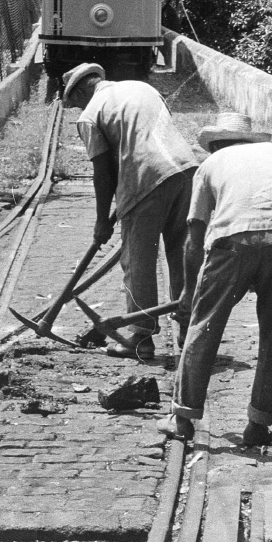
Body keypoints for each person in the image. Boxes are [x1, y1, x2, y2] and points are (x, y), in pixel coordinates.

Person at [158, 112, 272, 447]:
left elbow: (194, 236)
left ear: (215, 144)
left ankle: (182, 420)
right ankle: (258, 426)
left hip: (230, 244)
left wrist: (187, 293)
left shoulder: (210, 165)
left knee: (204, 327)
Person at [61, 63, 197, 359]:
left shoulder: (90, 114)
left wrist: (102, 222)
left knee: (138, 260)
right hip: (186, 170)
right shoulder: (142, 88)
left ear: (83, 89)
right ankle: (189, 332)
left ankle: (140, 338)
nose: (78, 108)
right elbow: (147, 133)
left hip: (145, 177)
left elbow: (102, 172)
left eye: (76, 102)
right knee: (182, 254)